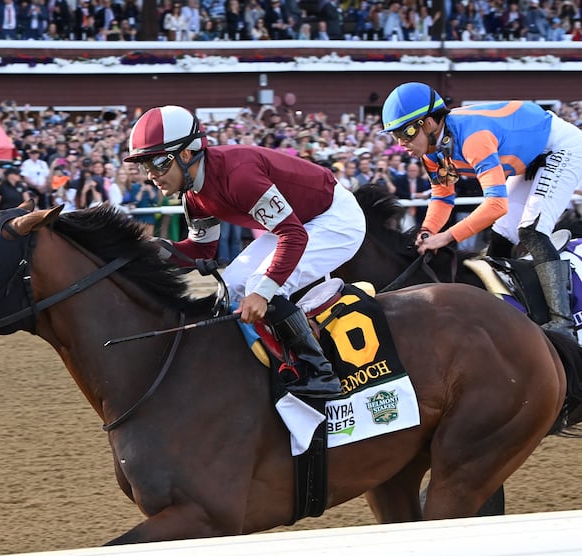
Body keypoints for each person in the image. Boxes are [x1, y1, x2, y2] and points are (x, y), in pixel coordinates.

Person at [124, 105, 366, 399]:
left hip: (334, 218)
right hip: (299, 222)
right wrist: (153, 252)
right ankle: (259, 366)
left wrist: (263, 292)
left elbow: (293, 235)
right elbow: (201, 249)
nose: (152, 175)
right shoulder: (193, 196)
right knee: (233, 284)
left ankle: (320, 373)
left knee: (259, 287)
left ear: (186, 154)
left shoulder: (239, 176)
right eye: (145, 166)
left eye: (159, 163)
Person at [381, 82, 582, 338]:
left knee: (531, 232)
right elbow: (443, 196)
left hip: (559, 147)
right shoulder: (431, 151)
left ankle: (563, 323)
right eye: (395, 136)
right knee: (500, 237)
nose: (401, 144)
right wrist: (427, 230)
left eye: (406, 133)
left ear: (429, 123)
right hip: (532, 154)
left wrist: (447, 236)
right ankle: (507, 310)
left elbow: (496, 204)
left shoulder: (473, 139)